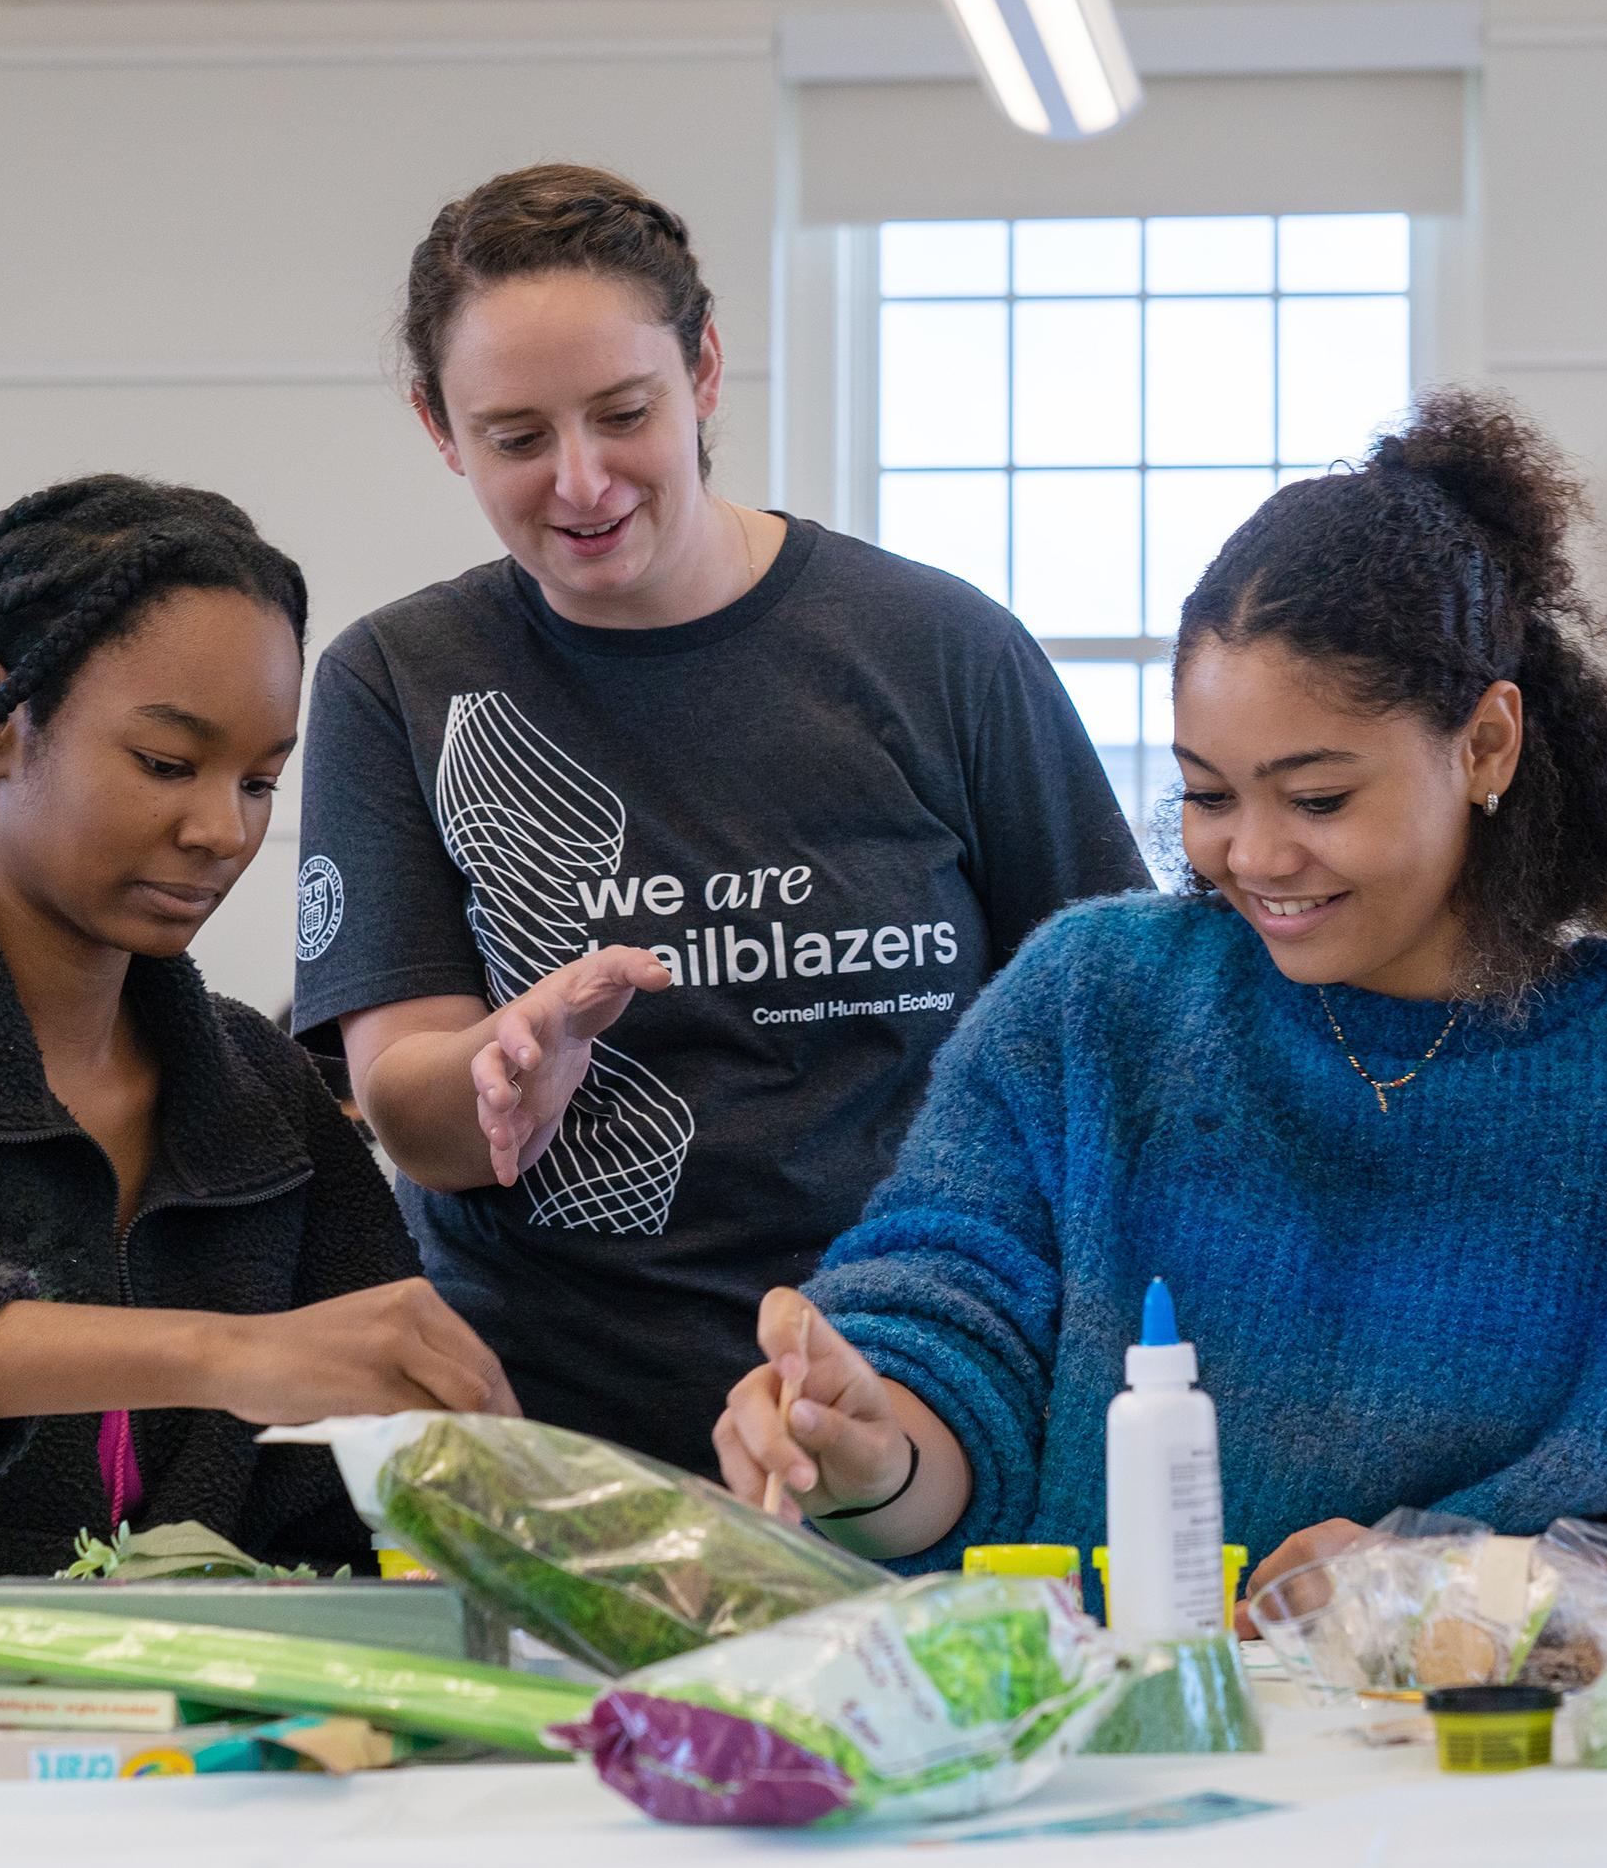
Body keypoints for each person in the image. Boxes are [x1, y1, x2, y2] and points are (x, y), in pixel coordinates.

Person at [293, 162, 1145, 1476]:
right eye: (515, 437)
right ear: (437, 426)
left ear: (701, 371)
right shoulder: (396, 680)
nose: (578, 482)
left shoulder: (937, 650)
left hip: (914, 1399)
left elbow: (1114, 1033)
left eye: (620, 413)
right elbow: (405, 1110)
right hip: (566, 1435)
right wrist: (508, 1062)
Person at [712, 391, 1607, 1616]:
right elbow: (945, 1311)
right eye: (1208, 794)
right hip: (1102, 1757)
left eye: (1318, 798)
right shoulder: (1099, 1001)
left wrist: (1451, 1586)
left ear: (1488, 746)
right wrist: (864, 1448)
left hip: (1471, 1770)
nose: (1253, 857)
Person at [0, 476, 514, 1592]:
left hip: (194, 1756)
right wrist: (235, 1354)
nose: (221, 832)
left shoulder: (265, 1097)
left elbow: (343, 1520)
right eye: (166, 764)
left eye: (259, 780)